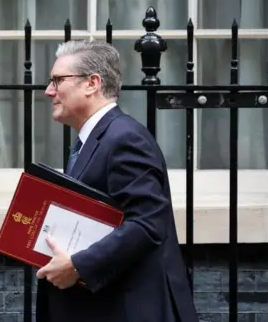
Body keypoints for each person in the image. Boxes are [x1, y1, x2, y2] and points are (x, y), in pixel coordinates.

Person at [34, 39, 199, 322]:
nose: (50, 91)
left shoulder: (124, 138)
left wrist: (78, 266)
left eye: (58, 80)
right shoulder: (96, 139)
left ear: (92, 83)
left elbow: (148, 224)